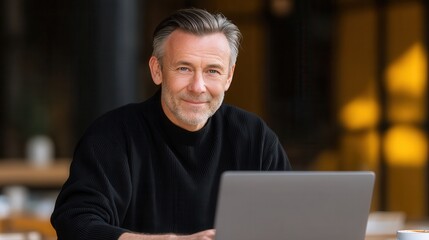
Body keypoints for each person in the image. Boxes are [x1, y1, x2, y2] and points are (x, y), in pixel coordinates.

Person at [51, 8, 291, 240]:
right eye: (184, 68)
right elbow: (76, 224)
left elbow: (290, 221)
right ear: (157, 70)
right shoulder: (112, 136)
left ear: (229, 76)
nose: (198, 87)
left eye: (213, 71)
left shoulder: (255, 138)